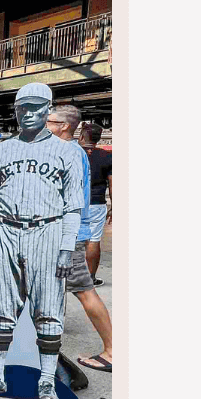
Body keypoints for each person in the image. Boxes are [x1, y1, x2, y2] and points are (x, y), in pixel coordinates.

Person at [0, 82, 84, 399]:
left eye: (37, 107)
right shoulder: (1, 150)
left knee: (49, 308)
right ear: (16, 111)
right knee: (2, 307)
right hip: (6, 231)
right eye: (23, 107)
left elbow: (73, 207)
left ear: (48, 110)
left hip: (48, 231)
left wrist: (67, 248)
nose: (29, 113)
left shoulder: (67, 152)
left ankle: (47, 380)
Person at [45, 103, 114, 374]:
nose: (44, 124)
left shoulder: (68, 152)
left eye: (49, 121)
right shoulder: (71, 151)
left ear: (64, 126)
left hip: (66, 233)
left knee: (84, 289)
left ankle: (112, 351)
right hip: (64, 231)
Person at [80, 120, 112, 283]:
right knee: (93, 240)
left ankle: (67, 277)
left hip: (74, 203)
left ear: (81, 136)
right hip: (96, 203)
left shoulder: (73, 153)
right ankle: (90, 278)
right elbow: (113, 183)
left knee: (69, 238)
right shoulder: (106, 156)